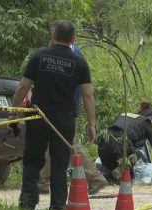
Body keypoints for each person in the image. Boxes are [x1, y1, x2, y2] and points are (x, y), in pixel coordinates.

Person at [11, 20, 96, 210]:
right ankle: (58, 208)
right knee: (59, 163)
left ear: (53, 35)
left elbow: (23, 87)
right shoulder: (79, 63)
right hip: (64, 119)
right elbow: (88, 94)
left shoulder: (38, 57)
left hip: (38, 117)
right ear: (73, 39)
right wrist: (92, 124)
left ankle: (27, 203)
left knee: (32, 160)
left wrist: (13, 112)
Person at [37, 22, 107, 195]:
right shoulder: (63, 52)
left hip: (65, 108)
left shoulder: (72, 53)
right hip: (58, 108)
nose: (52, 36)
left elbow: (84, 90)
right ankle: (43, 180)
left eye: (54, 32)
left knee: (70, 144)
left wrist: (92, 122)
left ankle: (95, 178)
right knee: (53, 143)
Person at [97, 101, 152, 180]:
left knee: (112, 168)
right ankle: (119, 172)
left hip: (103, 145)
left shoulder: (125, 115)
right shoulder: (146, 122)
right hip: (121, 146)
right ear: (151, 118)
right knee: (137, 156)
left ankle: (107, 173)